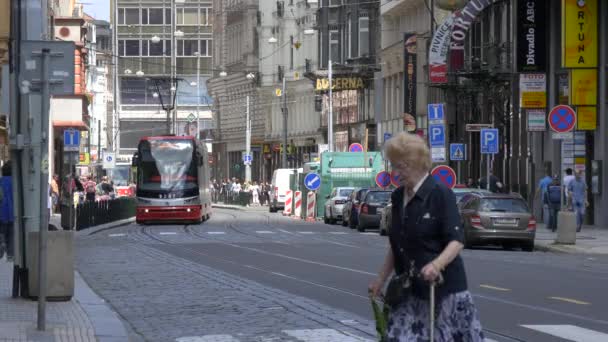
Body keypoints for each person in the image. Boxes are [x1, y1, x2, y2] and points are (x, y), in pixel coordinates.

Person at [368, 132, 484, 341]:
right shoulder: (397, 197)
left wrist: (436, 265)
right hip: (408, 292)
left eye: (400, 166)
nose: (396, 173)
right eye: (393, 166)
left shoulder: (440, 193)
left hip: (443, 293)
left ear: (417, 163)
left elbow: (456, 241)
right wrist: (380, 280)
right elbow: (397, 245)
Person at [0, 162, 14, 262]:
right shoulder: (15, 182)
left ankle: (2, 245)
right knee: (11, 235)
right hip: (13, 213)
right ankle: (10, 254)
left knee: (2, 232)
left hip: (1, 213)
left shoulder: (0, 182)